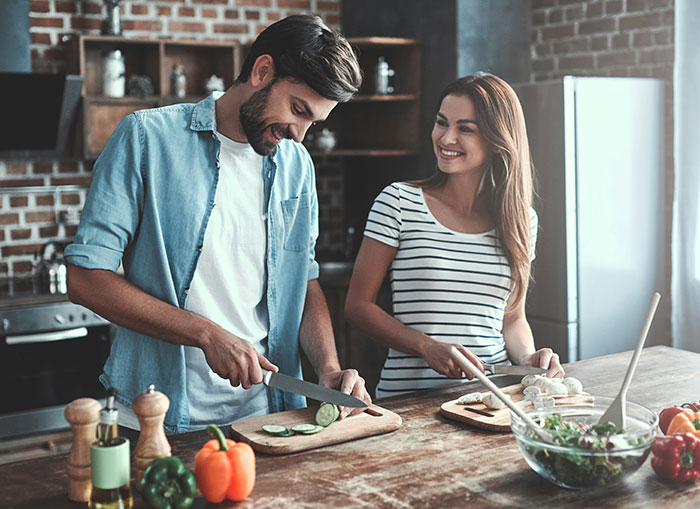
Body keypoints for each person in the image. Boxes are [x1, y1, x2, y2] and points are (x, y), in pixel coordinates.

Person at [65, 15, 371, 434]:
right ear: (262, 71)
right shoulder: (146, 139)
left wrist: (329, 369)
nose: (300, 135)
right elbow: (85, 279)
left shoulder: (296, 165)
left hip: (269, 417)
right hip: (159, 417)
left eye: (313, 122)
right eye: (298, 109)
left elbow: (305, 279)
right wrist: (207, 334)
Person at [344, 73, 565, 398]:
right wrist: (426, 346)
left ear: (496, 139)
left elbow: (512, 319)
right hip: (409, 401)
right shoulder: (398, 202)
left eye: (465, 129)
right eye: (441, 123)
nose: (446, 138)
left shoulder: (521, 220)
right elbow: (357, 306)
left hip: (491, 400)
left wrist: (528, 359)